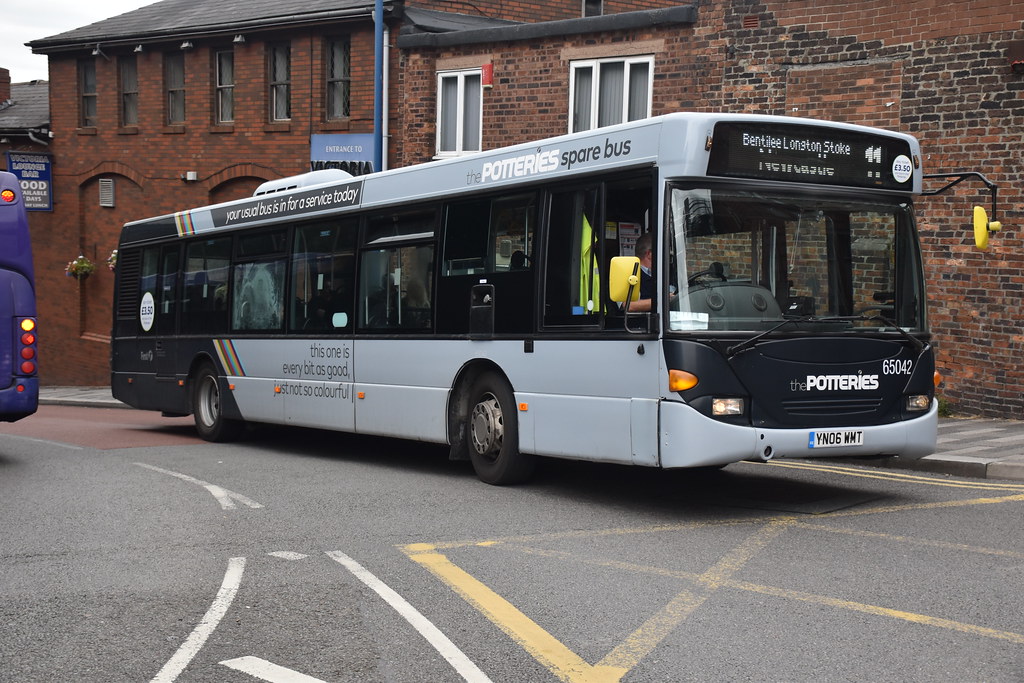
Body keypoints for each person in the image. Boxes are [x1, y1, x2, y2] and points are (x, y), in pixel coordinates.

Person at [626, 231, 656, 312]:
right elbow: (628, 305)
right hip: (637, 323)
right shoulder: (629, 274)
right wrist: (664, 300)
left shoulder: (660, 274)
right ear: (649, 254)